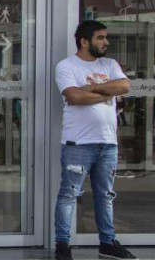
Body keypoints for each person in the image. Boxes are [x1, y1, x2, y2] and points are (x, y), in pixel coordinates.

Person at [54, 20, 137, 260]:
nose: (106, 42)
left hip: (108, 143)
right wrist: (104, 93)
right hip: (78, 144)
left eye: (105, 37)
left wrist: (93, 89)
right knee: (69, 195)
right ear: (84, 41)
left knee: (105, 195)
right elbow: (73, 95)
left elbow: (124, 86)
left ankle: (107, 243)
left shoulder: (109, 64)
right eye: (100, 37)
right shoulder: (67, 66)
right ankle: (62, 246)